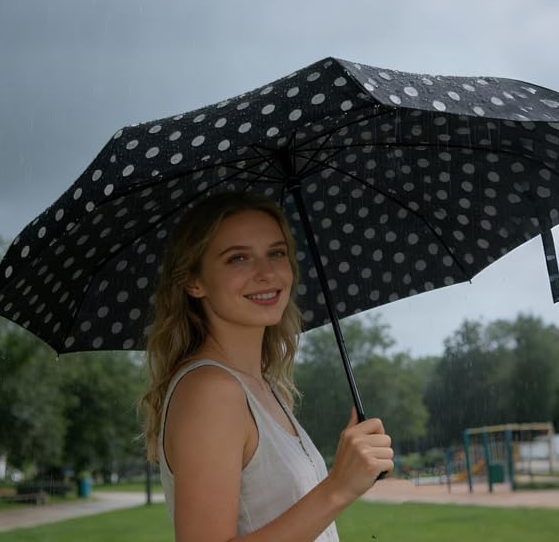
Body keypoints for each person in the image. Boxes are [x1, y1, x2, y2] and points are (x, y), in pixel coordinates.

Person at [138, 191, 394, 541]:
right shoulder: (212, 391)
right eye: (238, 258)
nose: (266, 272)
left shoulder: (263, 386)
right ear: (193, 282)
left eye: (276, 253)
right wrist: (338, 487)